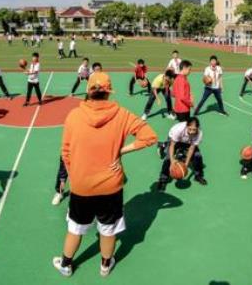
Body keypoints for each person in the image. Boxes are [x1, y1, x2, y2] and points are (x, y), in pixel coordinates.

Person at [52, 72, 157, 277]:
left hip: (81, 185)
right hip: (111, 185)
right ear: (108, 92)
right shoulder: (122, 114)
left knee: (76, 228)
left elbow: (65, 152)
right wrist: (121, 151)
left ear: (89, 91)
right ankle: (105, 266)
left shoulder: (74, 115)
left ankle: (66, 265)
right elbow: (150, 137)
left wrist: (77, 175)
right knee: (108, 230)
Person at [156, 117, 207, 190]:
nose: (191, 132)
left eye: (194, 130)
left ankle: (198, 176)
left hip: (188, 142)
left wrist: (186, 164)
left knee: (197, 156)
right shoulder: (178, 130)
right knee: (168, 159)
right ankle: (163, 179)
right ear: (186, 126)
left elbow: (191, 149)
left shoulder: (199, 134)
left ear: (197, 128)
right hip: (176, 140)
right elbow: (172, 146)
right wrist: (173, 161)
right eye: (189, 129)